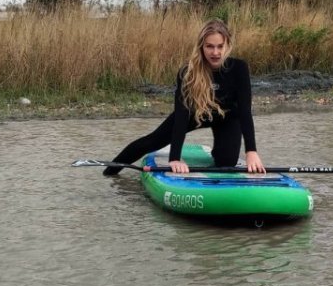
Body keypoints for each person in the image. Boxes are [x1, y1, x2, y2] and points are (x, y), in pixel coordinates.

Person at [103, 19, 265, 176]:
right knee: (151, 142)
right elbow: (181, 116)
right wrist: (174, 158)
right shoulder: (187, 73)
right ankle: (110, 170)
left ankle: (220, 149)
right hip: (195, 114)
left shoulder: (239, 68)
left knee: (227, 161)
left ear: (227, 45)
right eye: (209, 46)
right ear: (201, 46)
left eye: (220, 46)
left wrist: (251, 151)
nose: (215, 52)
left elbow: (245, 112)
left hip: (227, 117)